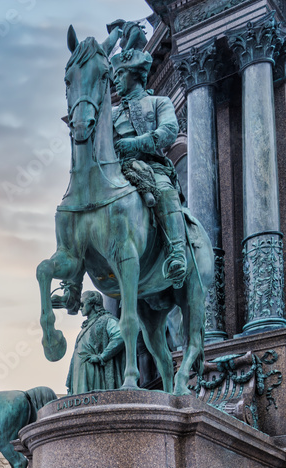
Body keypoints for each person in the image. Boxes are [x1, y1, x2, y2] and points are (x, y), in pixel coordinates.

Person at [106, 20, 187, 288]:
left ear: (135, 75)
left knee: (164, 191)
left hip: (152, 167)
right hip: (119, 172)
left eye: (120, 74)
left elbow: (168, 132)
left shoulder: (158, 102)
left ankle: (177, 253)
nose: (116, 79)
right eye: (115, 75)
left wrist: (137, 143)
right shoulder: (112, 113)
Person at [66, 291, 125, 395]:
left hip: (93, 373)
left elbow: (120, 335)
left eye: (82, 304)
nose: (80, 308)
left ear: (93, 303)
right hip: (79, 375)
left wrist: (102, 357)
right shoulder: (84, 327)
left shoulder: (106, 320)